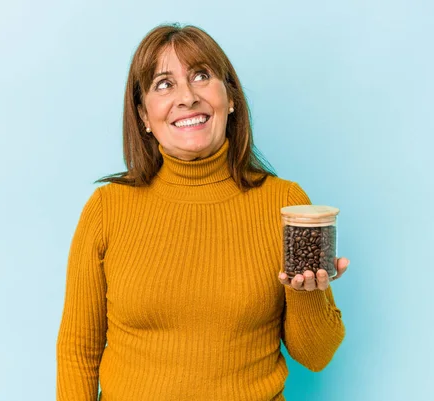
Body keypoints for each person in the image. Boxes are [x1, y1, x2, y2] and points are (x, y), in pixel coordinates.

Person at [56, 23, 349, 401]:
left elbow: (316, 356)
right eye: (163, 84)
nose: (187, 97)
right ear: (144, 115)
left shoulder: (286, 203)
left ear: (230, 98)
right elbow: (78, 352)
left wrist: (309, 292)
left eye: (201, 75)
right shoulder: (107, 208)